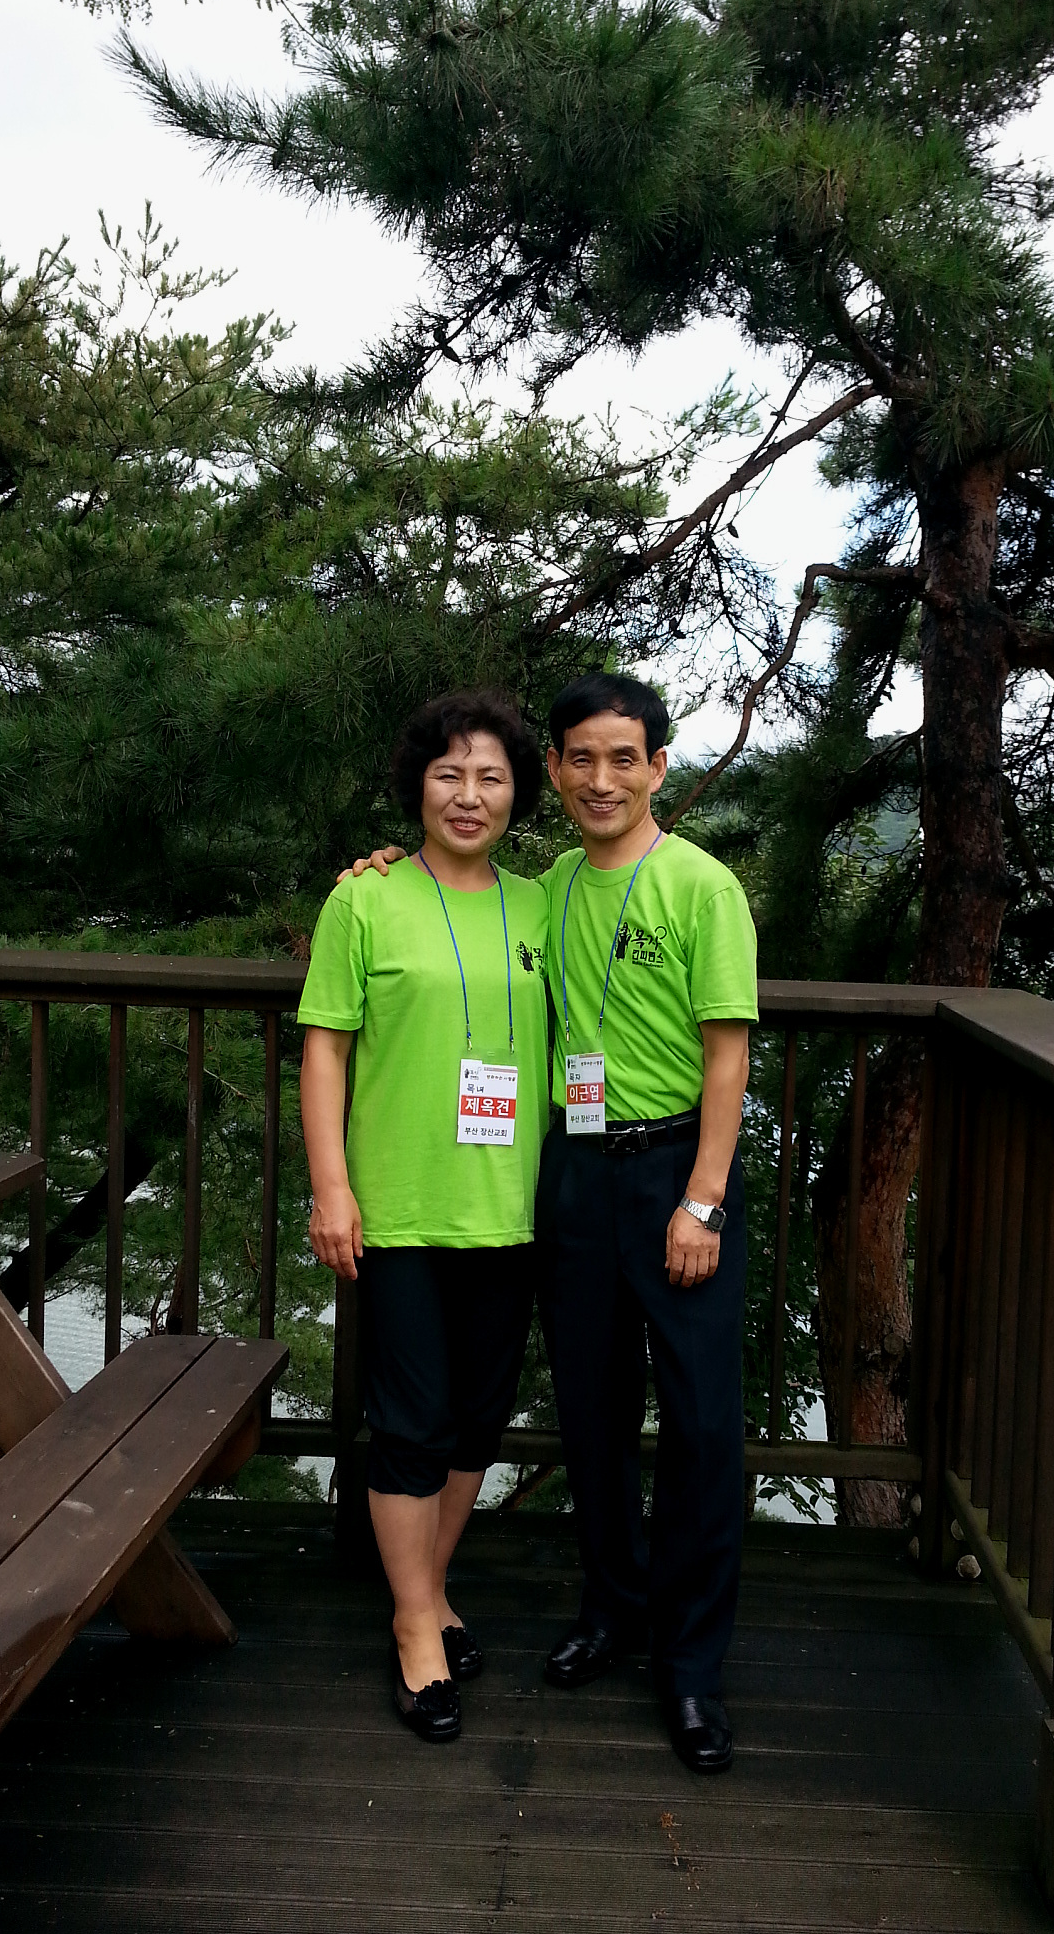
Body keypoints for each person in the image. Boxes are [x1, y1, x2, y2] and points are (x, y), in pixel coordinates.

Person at [346, 672, 757, 1772]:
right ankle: (614, 1607)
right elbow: (445, 893)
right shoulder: (554, 886)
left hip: (677, 1169)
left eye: (624, 758)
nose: (601, 778)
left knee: (701, 1425)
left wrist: (704, 1197)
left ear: (658, 767)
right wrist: (376, 863)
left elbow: (728, 1054)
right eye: (581, 758)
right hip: (574, 1171)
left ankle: (691, 1664)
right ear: (560, 772)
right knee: (592, 1413)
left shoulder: (702, 886)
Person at [298, 690, 550, 1743]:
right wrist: (332, 1187)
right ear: (418, 786)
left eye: (491, 775)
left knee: (476, 1420)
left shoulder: (545, 903)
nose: (469, 794)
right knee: (410, 1420)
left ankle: (433, 1589)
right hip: (397, 1207)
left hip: (513, 1209)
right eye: (450, 773)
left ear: (517, 793)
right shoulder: (365, 899)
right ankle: (414, 1624)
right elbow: (325, 1047)